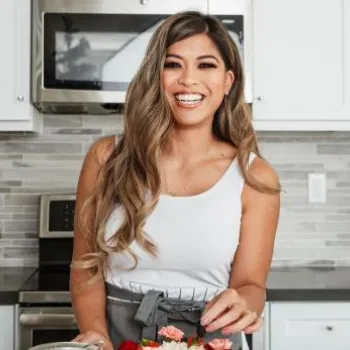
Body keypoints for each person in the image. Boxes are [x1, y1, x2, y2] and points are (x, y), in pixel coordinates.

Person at [70, 11, 281, 350]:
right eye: (173, 64)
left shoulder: (255, 176)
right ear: (156, 76)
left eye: (206, 65)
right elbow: (85, 270)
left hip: (212, 339)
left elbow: (250, 285)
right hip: (115, 337)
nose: (188, 80)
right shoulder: (107, 159)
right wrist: (97, 337)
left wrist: (244, 305)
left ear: (228, 81)